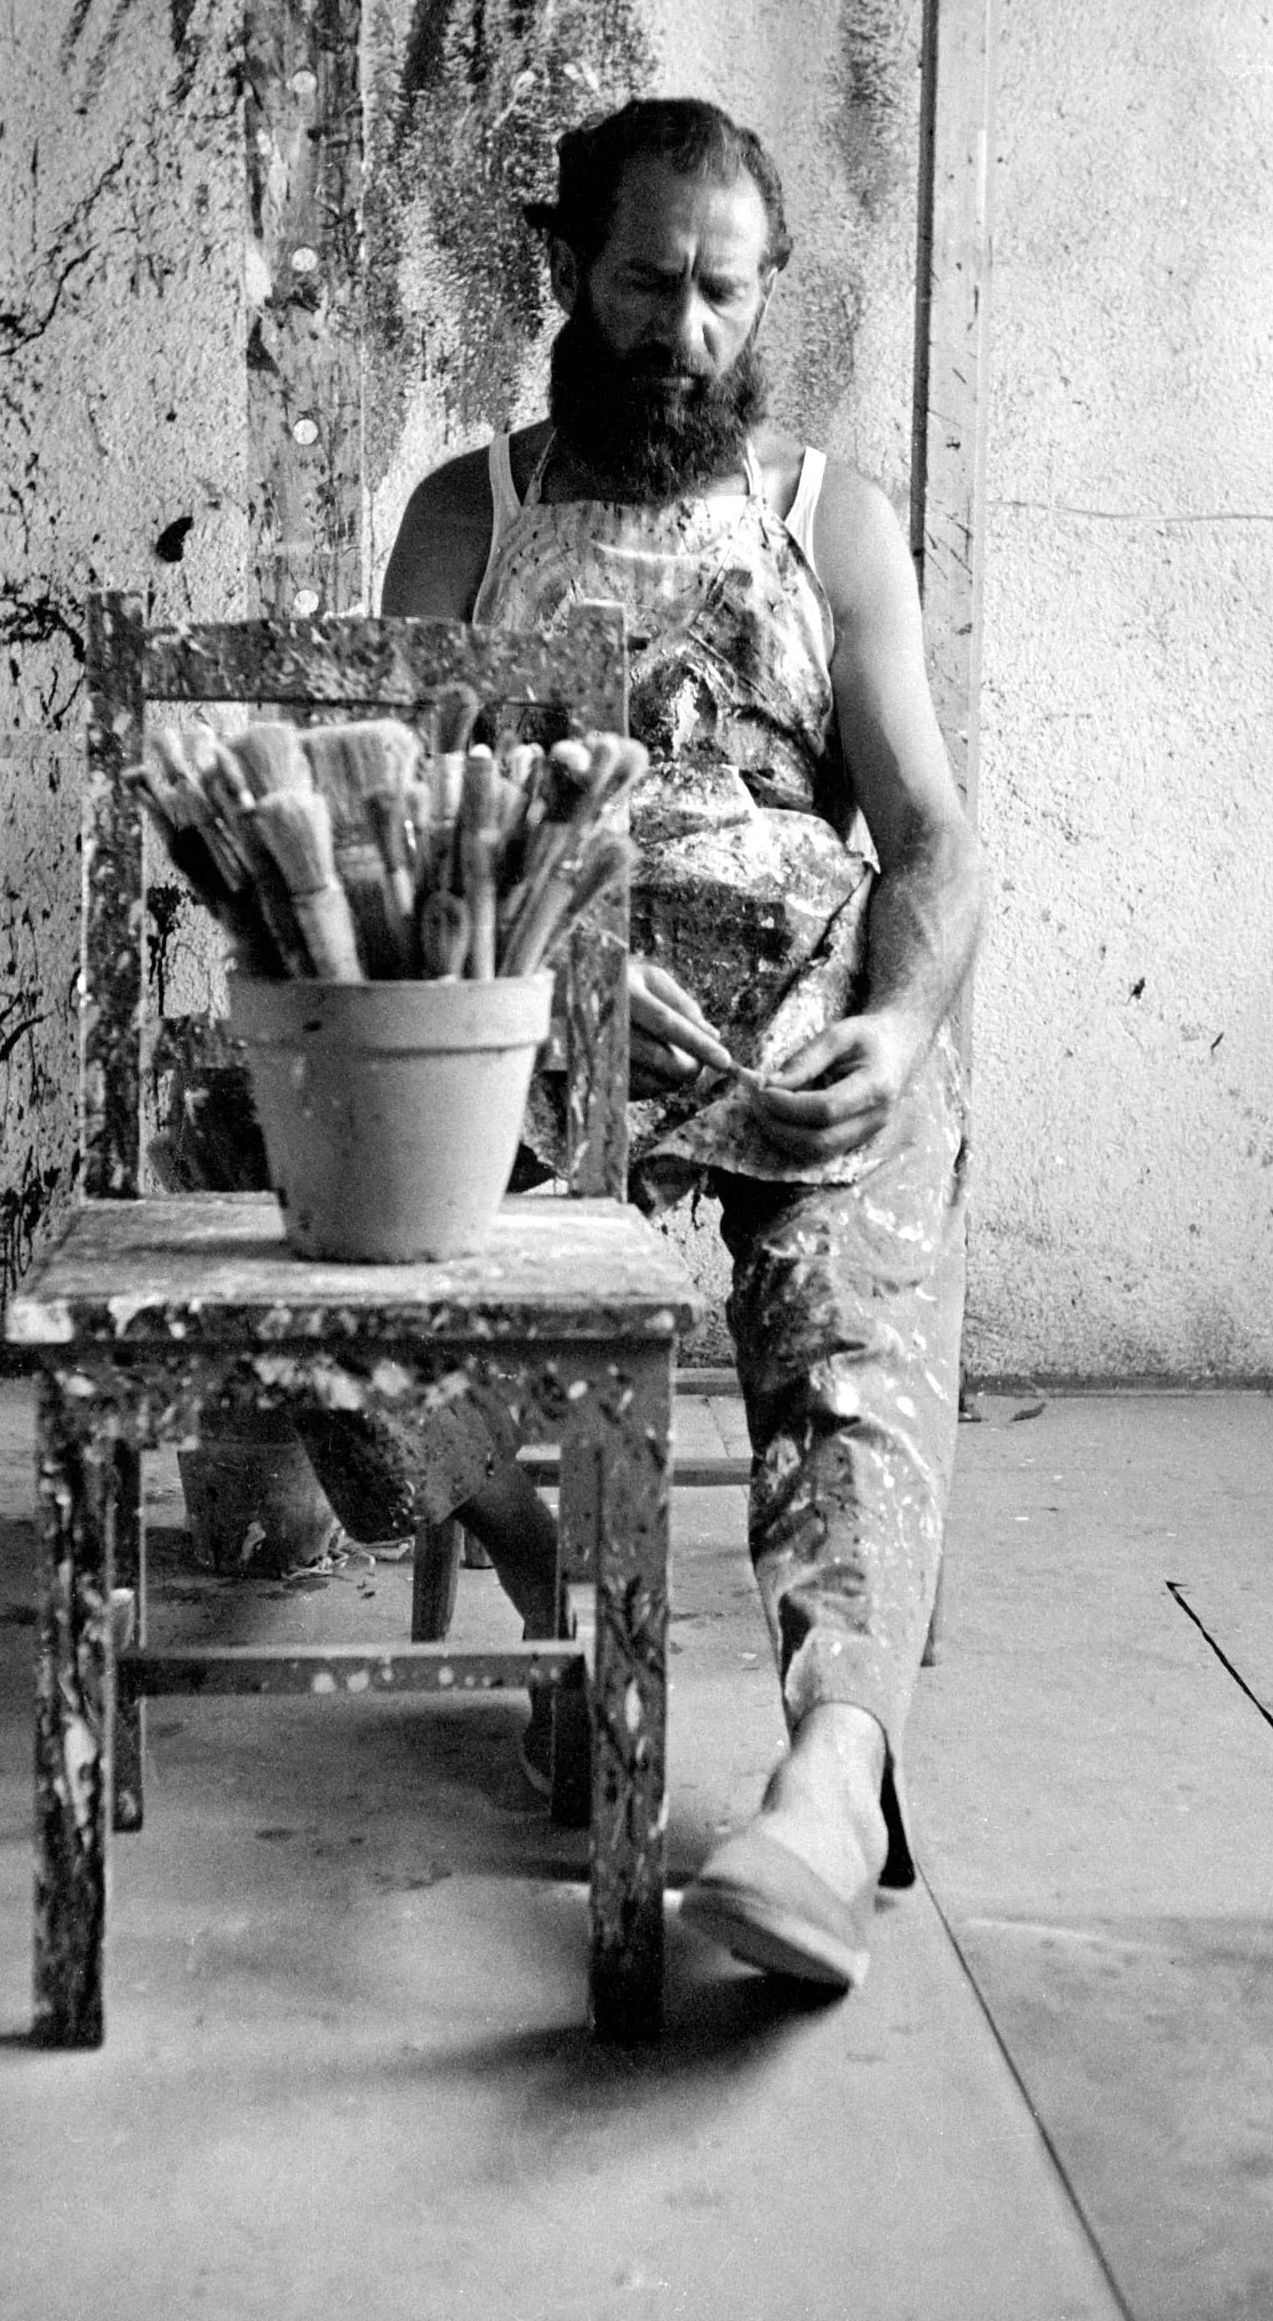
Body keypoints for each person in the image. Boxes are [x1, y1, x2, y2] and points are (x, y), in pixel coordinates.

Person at [378, 97, 985, 1994]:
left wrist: (896, 1025)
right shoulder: (467, 514)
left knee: (856, 1311)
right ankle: (559, 1575)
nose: (689, 332)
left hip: (791, 1022)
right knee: (275, 1195)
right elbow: (395, 825)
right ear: (571, 270)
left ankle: (831, 1775)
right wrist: (540, 940)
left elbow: (934, 838)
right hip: (533, 1030)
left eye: (727, 291)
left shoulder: (830, 521)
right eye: (650, 283)